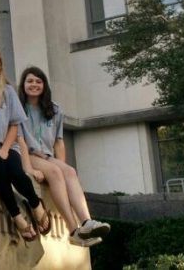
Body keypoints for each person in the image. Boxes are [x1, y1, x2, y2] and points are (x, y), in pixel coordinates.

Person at [17, 66, 111, 247]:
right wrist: (29, 169)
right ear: (23, 85)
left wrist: (62, 167)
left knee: (69, 171)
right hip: (27, 153)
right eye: (30, 81)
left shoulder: (54, 110)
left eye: (38, 81)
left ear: (44, 85)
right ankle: (73, 230)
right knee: (54, 171)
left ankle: (86, 222)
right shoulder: (18, 108)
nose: (34, 85)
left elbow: (59, 142)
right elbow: (20, 140)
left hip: (46, 155)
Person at [0, 47, 49, 242]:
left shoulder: (7, 91)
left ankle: (35, 204)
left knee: (16, 172)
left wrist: (6, 149)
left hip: (7, 144)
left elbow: (14, 124)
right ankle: (16, 216)